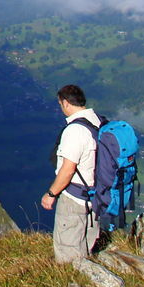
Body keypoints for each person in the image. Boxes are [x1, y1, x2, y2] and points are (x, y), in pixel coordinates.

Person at [41, 83, 102, 263]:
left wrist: (51, 194)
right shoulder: (98, 122)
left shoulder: (75, 130)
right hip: (96, 196)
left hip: (75, 198)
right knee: (88, 247)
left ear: (66, 103)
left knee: (68, 251)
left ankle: (72, 283)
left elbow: (68, 170)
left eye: (60, 104)